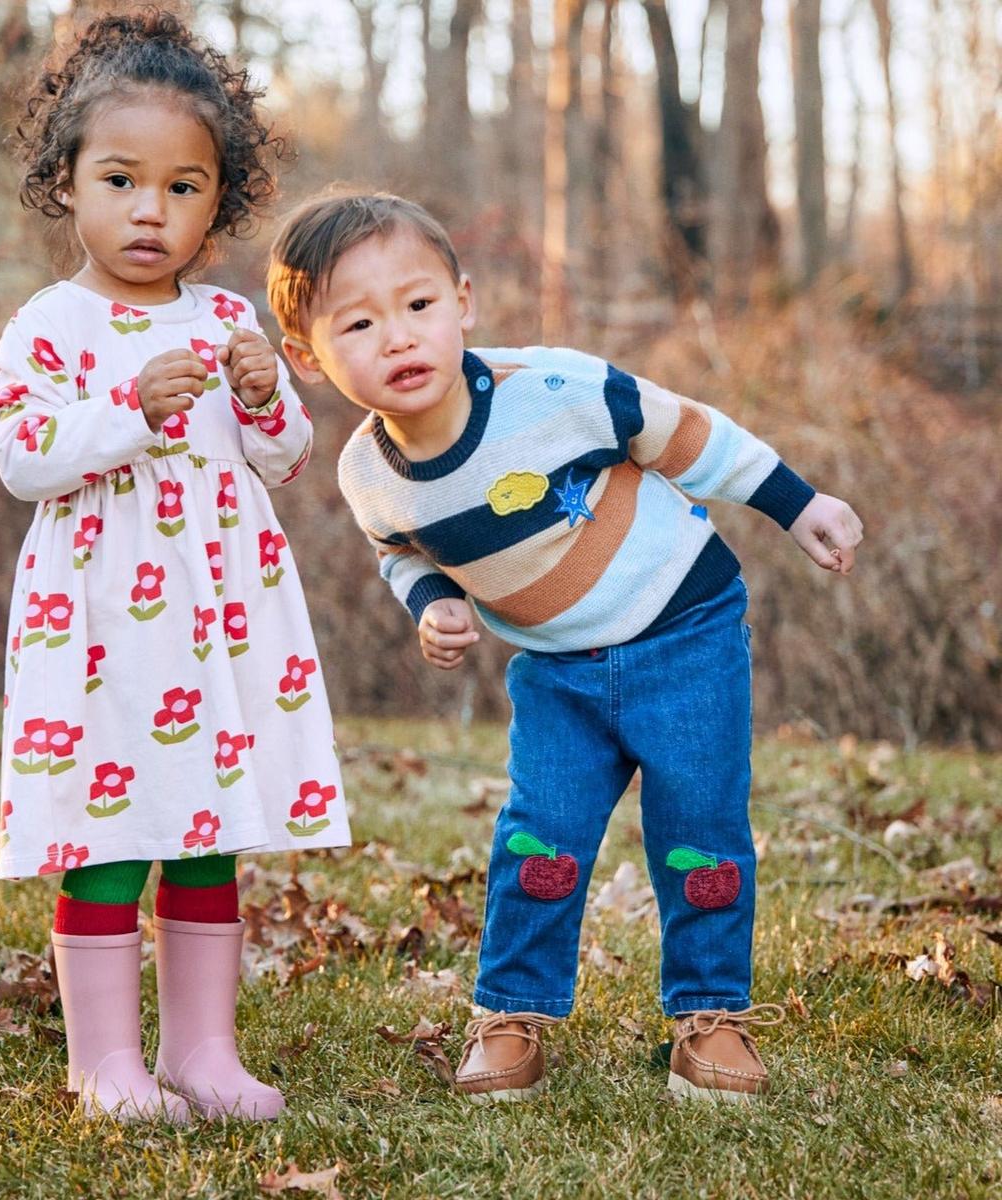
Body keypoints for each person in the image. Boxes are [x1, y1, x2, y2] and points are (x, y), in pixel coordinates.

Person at [266, 192, 863, 1104]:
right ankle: (513, 1014)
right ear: (309, 358)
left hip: (687, 632)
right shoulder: (367, 473)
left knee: (699, 830)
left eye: (419, 305)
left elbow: (683, 431)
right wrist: (431, 604)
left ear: (463, 301)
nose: (398, 337)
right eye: (358, 323)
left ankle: (710, 1018)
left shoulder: (549, 391)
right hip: (555, 672)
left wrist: (800, 504)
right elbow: (398, 553)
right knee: (540, 837)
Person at [0, 11, 349, 1123]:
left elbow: (288, 459)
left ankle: (203, 1051)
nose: (152, 211)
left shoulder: (226, 316)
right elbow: (21, 456)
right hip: (100, 630)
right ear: (68, 183)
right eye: (122, 180)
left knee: (208, 830)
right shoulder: (52, 325)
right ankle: (104, 1064)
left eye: (185, 188)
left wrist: (258, 392)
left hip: (222, 624)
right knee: (110, 833)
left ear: (219, 201)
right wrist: (123, 410)